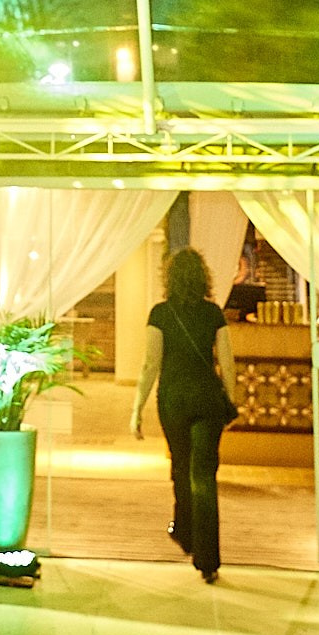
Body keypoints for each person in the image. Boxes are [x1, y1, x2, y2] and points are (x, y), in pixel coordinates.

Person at [129, 247, 238, 583]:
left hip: (174, 399)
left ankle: (186, 532)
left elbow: (151, 364)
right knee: (204, 475)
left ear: (169, 278)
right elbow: (228, 362)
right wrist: (230, 400)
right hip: (207, 400)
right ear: (203, 277)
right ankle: (208, 559)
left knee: (180, 466)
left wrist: (137, 407)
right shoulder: (213, 313)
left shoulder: (159, 314)